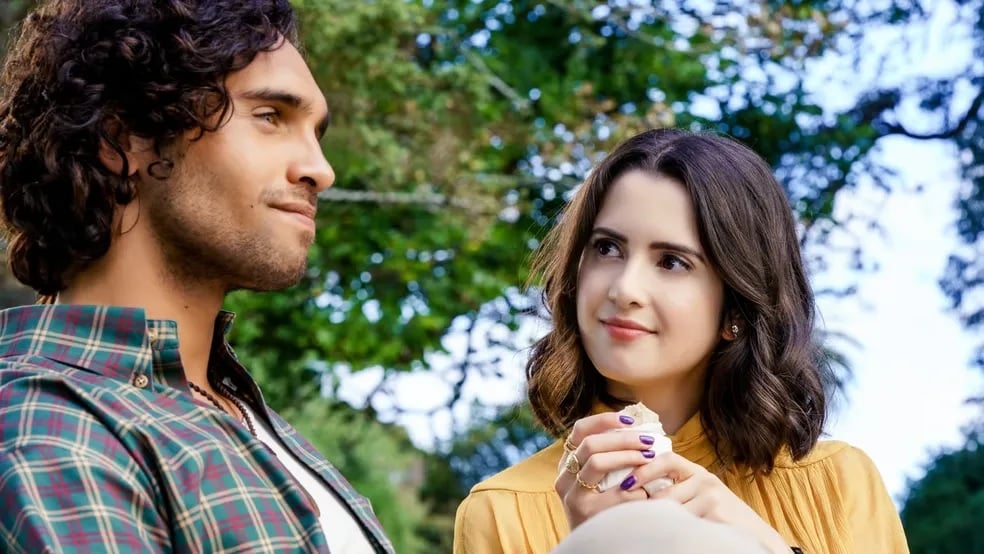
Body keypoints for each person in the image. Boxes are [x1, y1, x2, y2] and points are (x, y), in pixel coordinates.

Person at [0, 1, 393, 552]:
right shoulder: (51, 425)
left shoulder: (247, 417)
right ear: (122, 139)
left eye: (316, 134)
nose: (320, 170)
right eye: (270, 116)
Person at [453, 129, 909, 553]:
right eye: (607, 248)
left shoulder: (838, 484)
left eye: (671, 261)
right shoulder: (502, 511)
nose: (624, 289)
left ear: (735, 308)